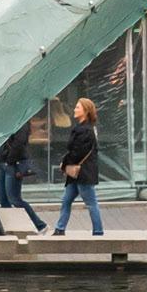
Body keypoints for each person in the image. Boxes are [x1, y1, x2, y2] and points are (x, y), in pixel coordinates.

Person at [52, 99, 102, 236]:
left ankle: (98, 231)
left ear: (86, 111)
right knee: (66, 200)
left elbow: (78, 152)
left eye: (78, 107)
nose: (74, 109)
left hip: (83, 173)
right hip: (76, 173)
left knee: (91, 203)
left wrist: (65, 163)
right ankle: (59, 229)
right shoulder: (84, 128)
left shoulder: (86, 130)